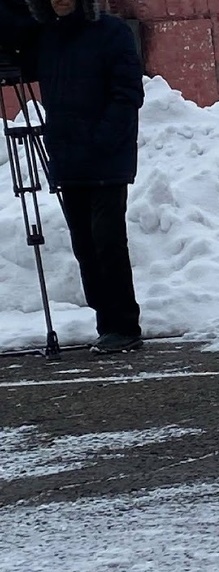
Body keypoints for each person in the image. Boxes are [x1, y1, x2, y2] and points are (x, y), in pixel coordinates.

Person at [8, 0, 145, 353]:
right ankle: (107, 325)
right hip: (69, 159)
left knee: (107, 241)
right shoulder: (47, 37)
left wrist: (102, 140)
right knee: (85, 245)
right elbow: (13, 42)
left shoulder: (111, 33)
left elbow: (128, 92)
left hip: (106, 157)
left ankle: (125, 325)